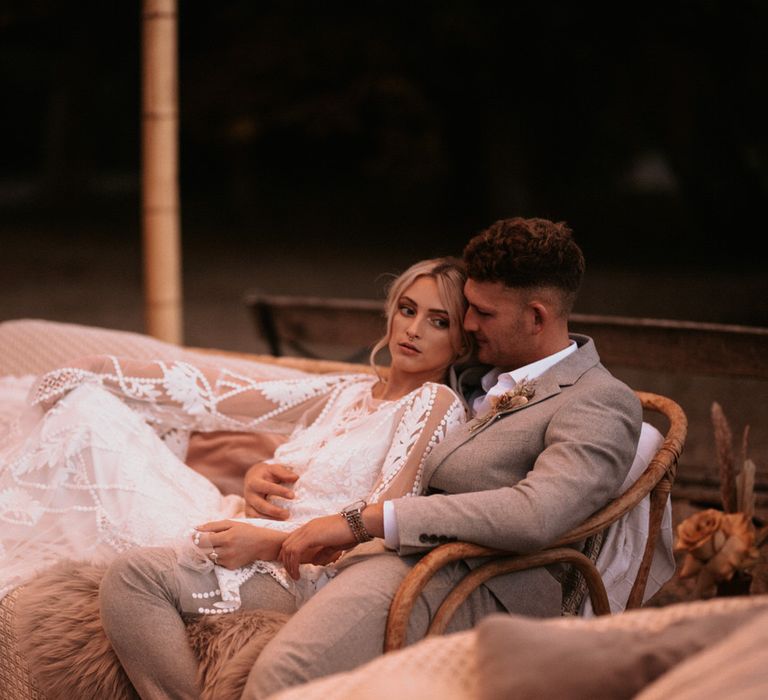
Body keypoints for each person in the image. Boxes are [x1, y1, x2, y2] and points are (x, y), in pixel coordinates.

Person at [99, 217, 642, 699]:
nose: (469, 326)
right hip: (381, 557)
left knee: (280, 678)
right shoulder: (476, 379)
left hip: (473, 577)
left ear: (538, 316)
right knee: (131, 574)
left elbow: (535, 514)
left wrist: (364, 521)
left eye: (478, 313)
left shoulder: (597, 401)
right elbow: (361, 433)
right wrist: (262, 472)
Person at [0, 257, 472, 606]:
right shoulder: (348, 391)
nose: (413, 329)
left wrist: (267, 540)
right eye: (407, 309)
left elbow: (384, 518)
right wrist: (103, 369)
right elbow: (219, 396)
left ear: (461, 341)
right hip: (227, 515)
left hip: (277, 559)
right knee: (85, 401)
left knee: (84, 421)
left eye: (438, 321)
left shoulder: (435, 402)